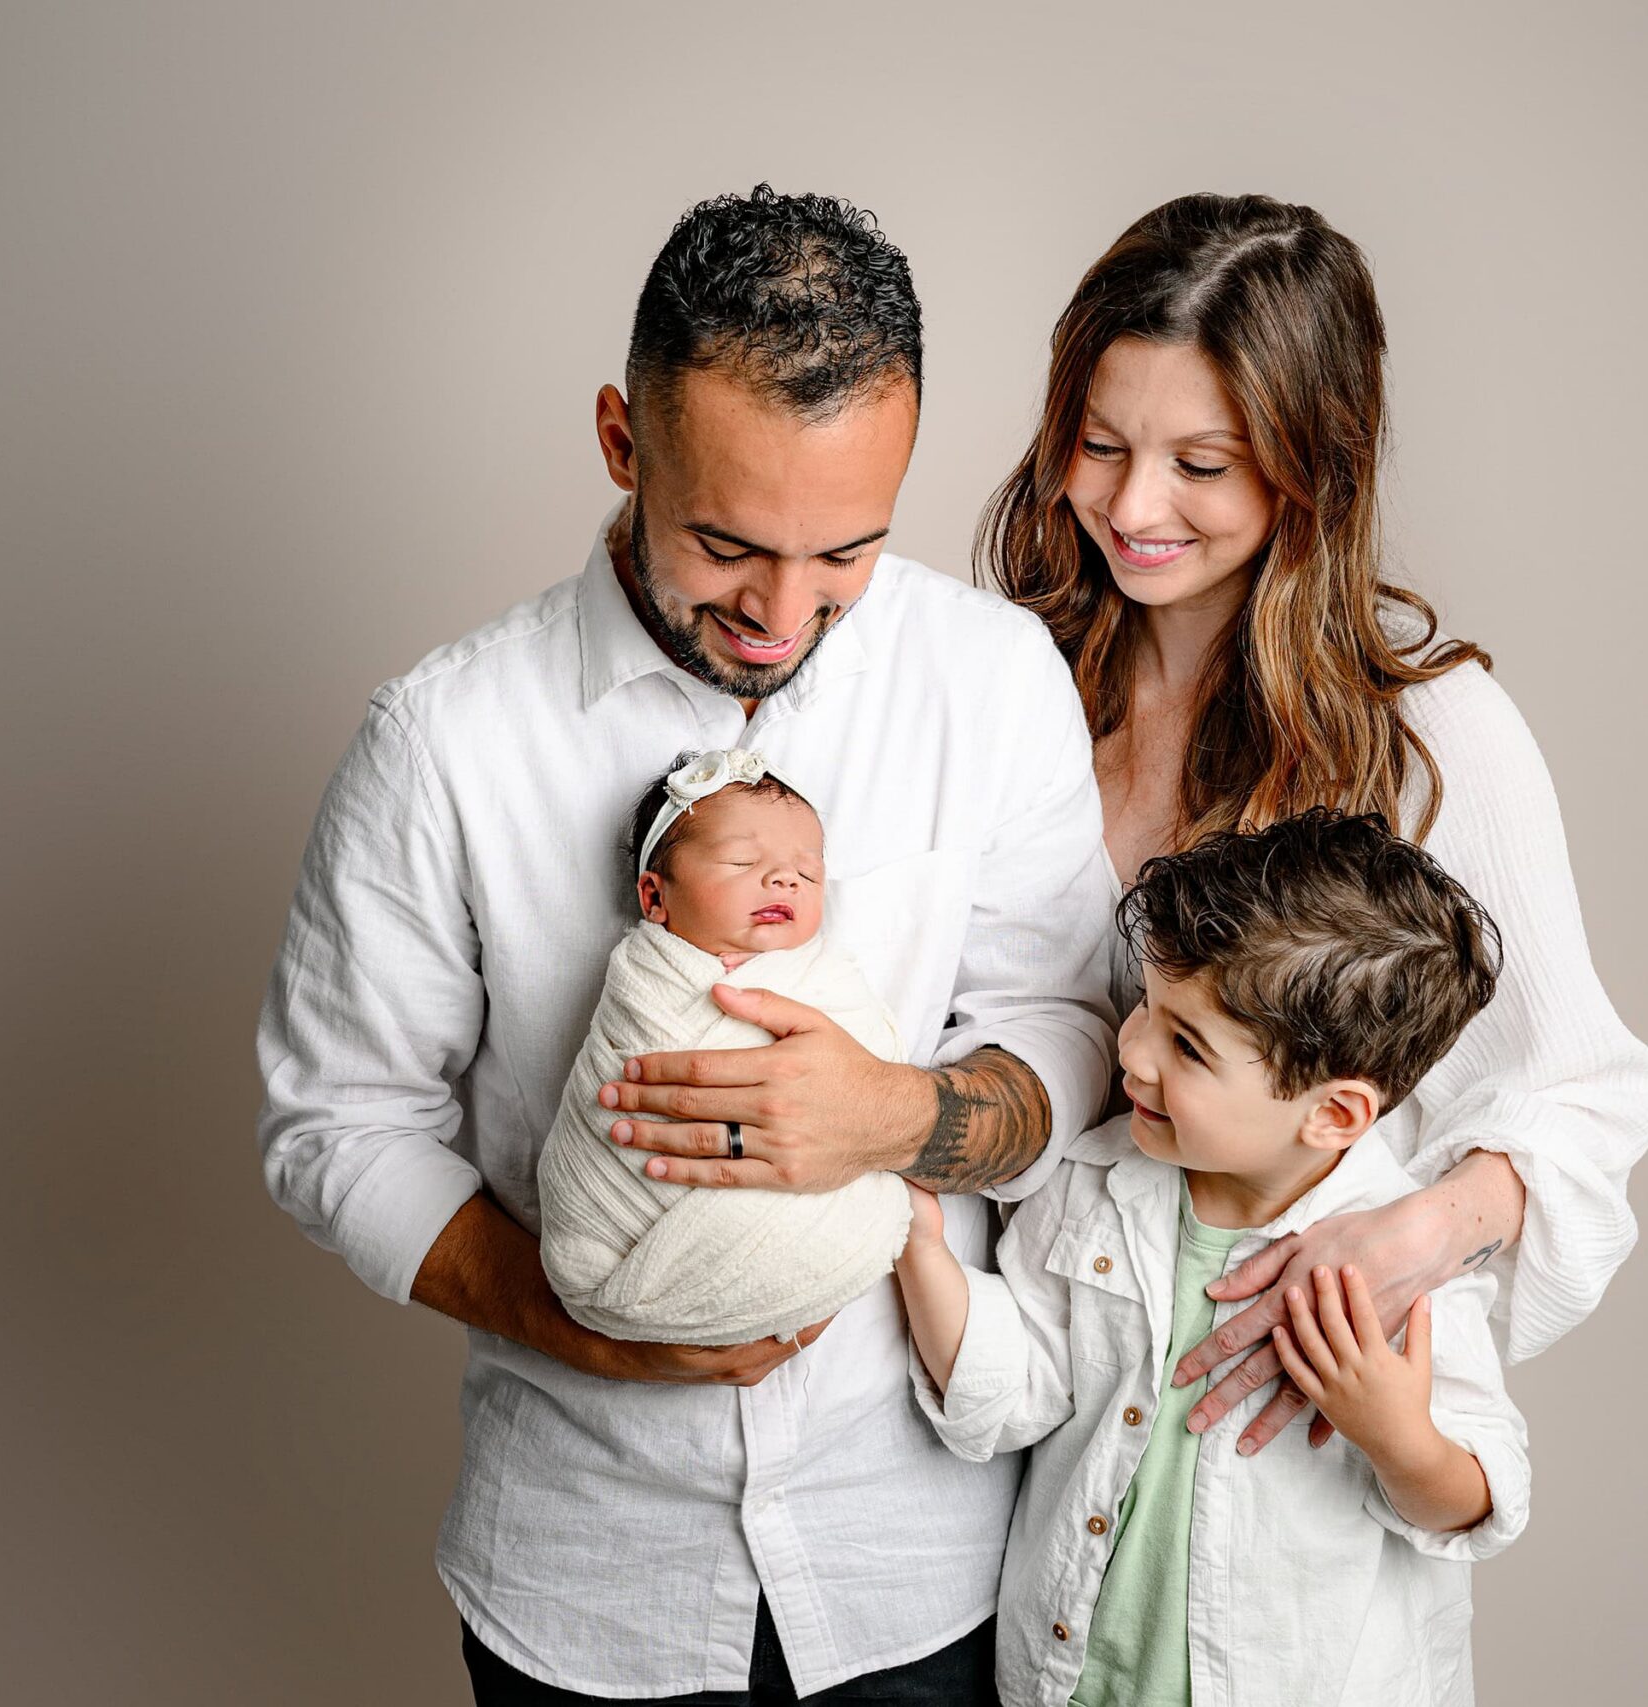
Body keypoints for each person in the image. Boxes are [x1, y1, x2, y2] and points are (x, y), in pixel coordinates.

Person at [256, 184, 1118, 1702]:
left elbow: (1064, 1022)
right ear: (619, 442)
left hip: (926, 1559)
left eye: (847, 552)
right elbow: (338, 1122)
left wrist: (904, 1113)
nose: (786, 615)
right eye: (730, 543)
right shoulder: (445, 740)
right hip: (586, 1579)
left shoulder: (989, 681)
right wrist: (576, 1322)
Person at [977, 193, 1648, 1453]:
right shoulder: (1002, 677)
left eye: (1200, 466)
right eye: (1097, 444)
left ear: (1313, 472)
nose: (1133, 508)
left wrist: (1409, 1238)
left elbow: (1582, 1096)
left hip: (1268, 1455)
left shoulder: (1425, 733)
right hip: (1000, 1445)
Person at [895, 808, 1529, 1705]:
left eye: (1186, 1044)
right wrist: (921, 1248)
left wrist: (1395, 1432)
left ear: (1334, 1113)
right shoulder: (1088, 1178)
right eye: (1147, 1007)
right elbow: (1019, 1391)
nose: (1133, 1050)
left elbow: (1480, 1501)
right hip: (1073, 1680)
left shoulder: (1397, 1266)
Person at [537, 749, 913, 1347]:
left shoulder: (825, 977)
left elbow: (876, 1075)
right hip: (619, 1242)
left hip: (817, 1264)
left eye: (809, 874)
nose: (786, 879)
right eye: (742, 860)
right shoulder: (644, 977)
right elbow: (619, 1068)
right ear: (655, 899)